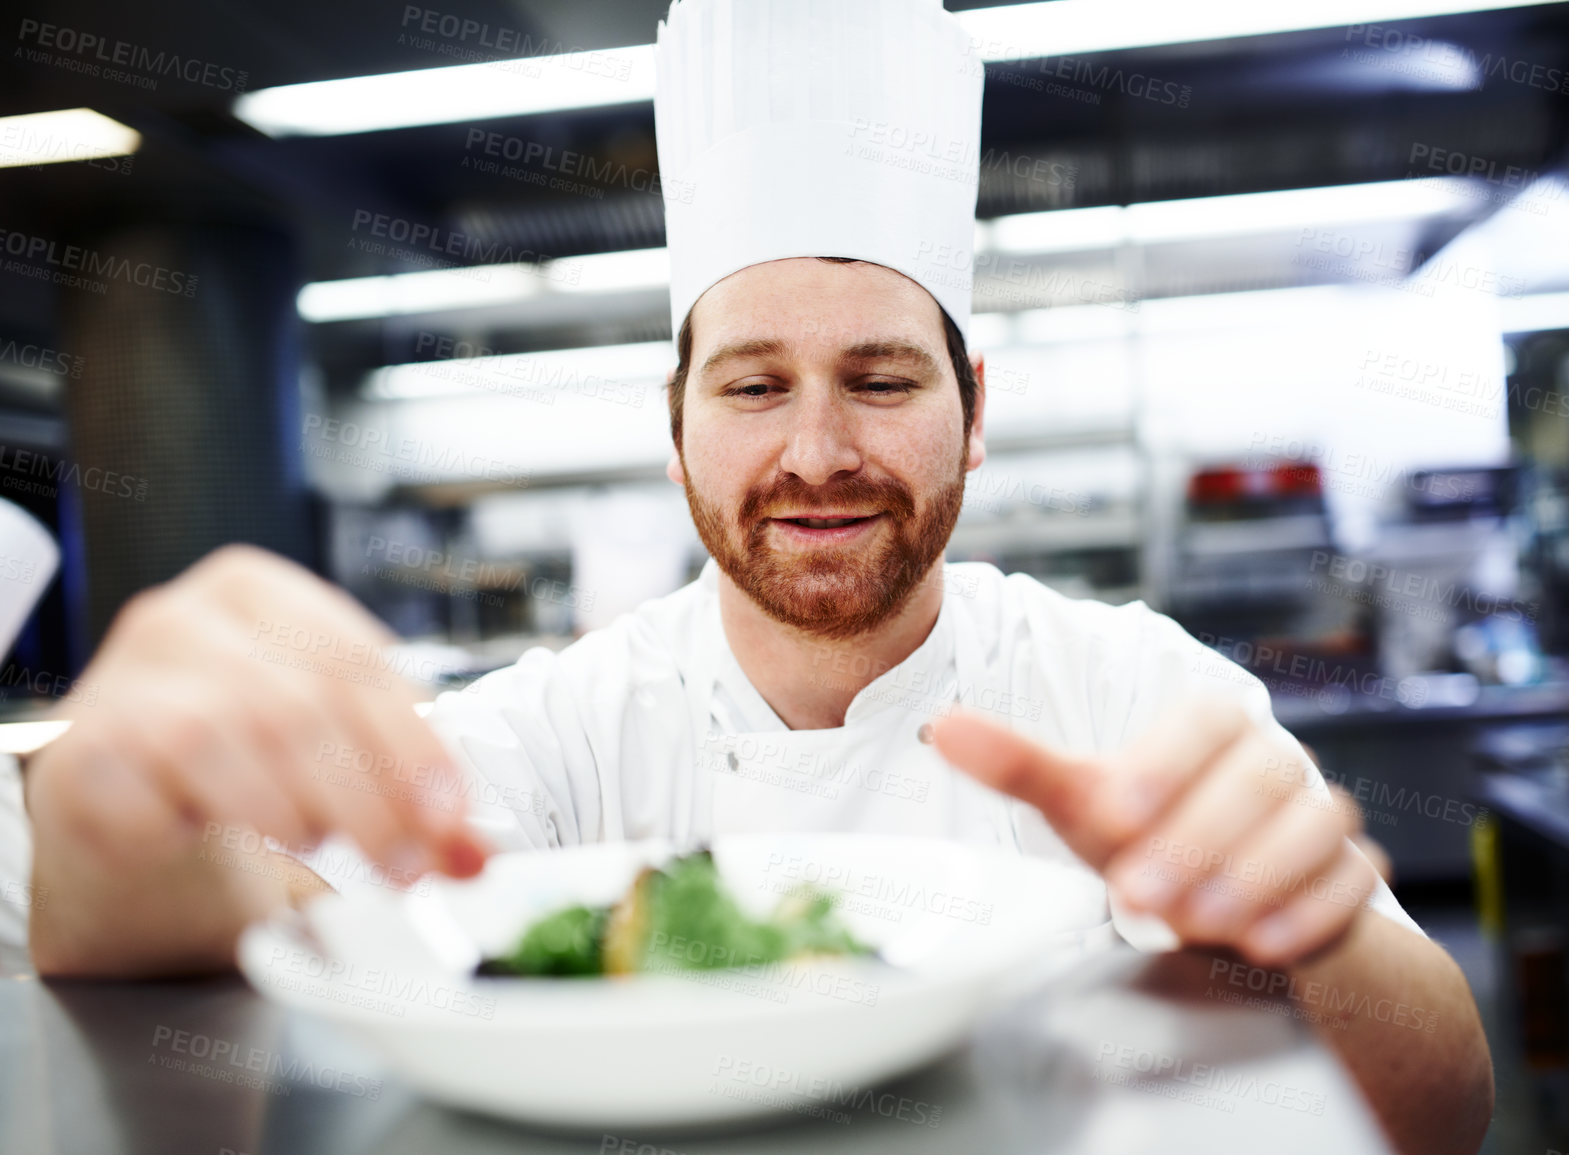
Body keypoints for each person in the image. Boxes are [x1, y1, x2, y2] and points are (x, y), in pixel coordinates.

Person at [22, 2, 1493, 1152]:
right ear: (674, 432)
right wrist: (109, 802)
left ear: (973, 410)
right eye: (750, 388)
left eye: (879, 377)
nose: (818, 450)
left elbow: (1442, 1116)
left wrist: (1305, 944)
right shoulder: (557, 727)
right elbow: (207, 919)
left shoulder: (1134, 691)